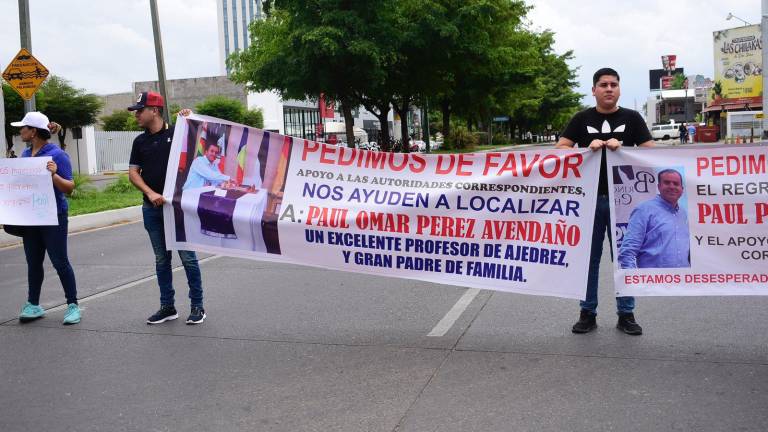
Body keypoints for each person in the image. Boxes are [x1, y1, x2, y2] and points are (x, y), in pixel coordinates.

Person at [556, 67, 654, 335]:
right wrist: (587, 149)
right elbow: (561, 149)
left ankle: (627, 314)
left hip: (626, 202)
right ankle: (587, 312)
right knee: (589, 259)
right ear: (594, 90)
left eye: (613, 84)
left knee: (625, 257)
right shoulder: (581, 118)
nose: (609, 88)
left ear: (619, 89)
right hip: (589, 201)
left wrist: (624, 150)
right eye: (603, 84)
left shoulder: (633, 119)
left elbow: (651, 155)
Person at [127, 91, 206, 325]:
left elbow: (202, 137)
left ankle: (197, 306)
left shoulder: (178, 133)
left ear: (155, 110)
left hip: (178, 209)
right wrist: (150, 193)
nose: (136, 115)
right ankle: (167, 307)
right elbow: (133, 173)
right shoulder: (139, 141)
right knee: (162, 260)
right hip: (151, 208)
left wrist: (191, 118)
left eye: (140, 111)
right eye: (135, 111)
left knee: (188, 258)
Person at [11, 112, 81, 324]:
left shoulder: (57, 155)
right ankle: (33, 305)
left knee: (60, 261)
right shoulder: (24, 155)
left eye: (24, 127)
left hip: (54, 216)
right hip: (31, 218)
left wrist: (53, 174)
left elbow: (69, 188)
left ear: (33, 132)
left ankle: (73, 306)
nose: (20, 131)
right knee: (33, 263)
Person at [618, 169, 690, 269]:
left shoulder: (683, 214)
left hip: (683, 281)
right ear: (659, 186)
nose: (672, 186)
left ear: (682, 189)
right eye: (667, 182)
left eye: (676, 183)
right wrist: (634, 283)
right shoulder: (644, 210)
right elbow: (628, 252)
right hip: (653, 282)